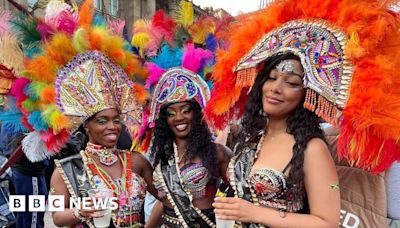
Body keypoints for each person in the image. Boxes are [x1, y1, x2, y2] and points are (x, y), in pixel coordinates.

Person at [205, 0, 400, 227]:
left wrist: (255, 214)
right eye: (271, 77)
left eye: (291, 82)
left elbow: (327, 222)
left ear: (307, 93)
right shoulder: (251, 135)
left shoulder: (312, 148)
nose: (276, 88)